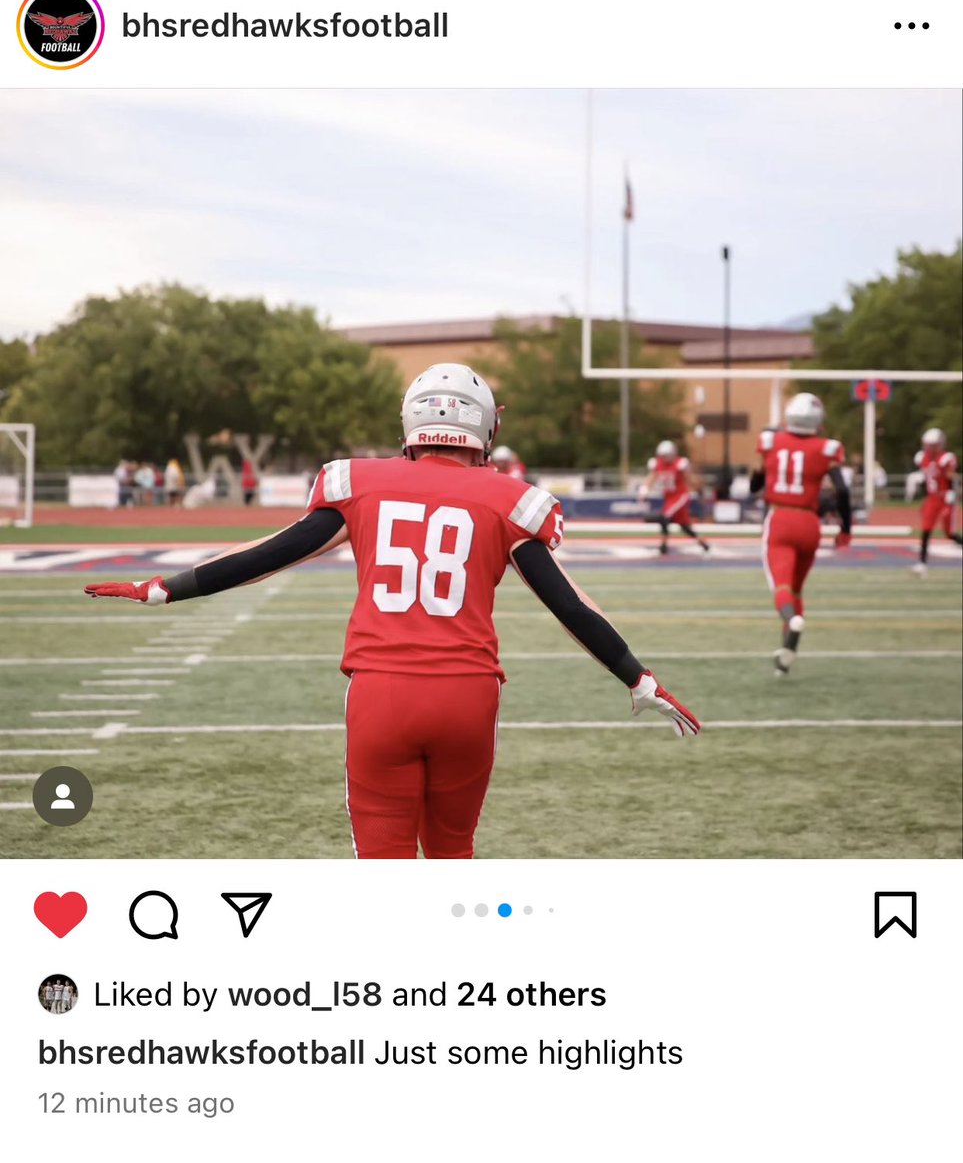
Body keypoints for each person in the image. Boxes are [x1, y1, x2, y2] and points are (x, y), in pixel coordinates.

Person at [84, 363, 699, 859]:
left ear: (410, 422)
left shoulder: (360, 483)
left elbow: (266, 556)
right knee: (454, 850)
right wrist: (639, 678)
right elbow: (570, 605)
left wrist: (164, 588)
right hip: (468, 694)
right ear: (484, 429)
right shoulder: (511, 500)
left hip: (383, 694)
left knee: (384, 863)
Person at [750, 393, 851, 676]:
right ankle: (787, 655)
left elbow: (755, 484)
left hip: (781, 517)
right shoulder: (827, 448)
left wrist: (759, 477)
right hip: (810, 523)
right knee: (796, 590)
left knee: (781, 589)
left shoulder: (770, 441)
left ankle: (792, 621)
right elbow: (842, 490)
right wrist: (846, 528)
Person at [639, 441, 710, 556]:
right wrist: (644, 490)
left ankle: (663, 546)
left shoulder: (680, 464)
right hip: (669, 498)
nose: (664, 458)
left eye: (665, 455)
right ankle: (704, 544)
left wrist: (698, 488)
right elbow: (651, 478)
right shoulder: (658, 464)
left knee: (665, 516)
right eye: (662, 456)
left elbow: (690, 479)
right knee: (684, 525)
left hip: (680, 496)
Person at [910, 427, 962, 577]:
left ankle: (922, 563)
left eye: (930, 445)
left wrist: (953, 492)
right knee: (926, 529)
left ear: (939, 445)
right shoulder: (922, 457)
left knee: (949, 533)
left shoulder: (946, 458)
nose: (927, 448)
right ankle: (922, 563)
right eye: (926, 444)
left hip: (945, 497)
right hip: (932, 498)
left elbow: (951, 476)